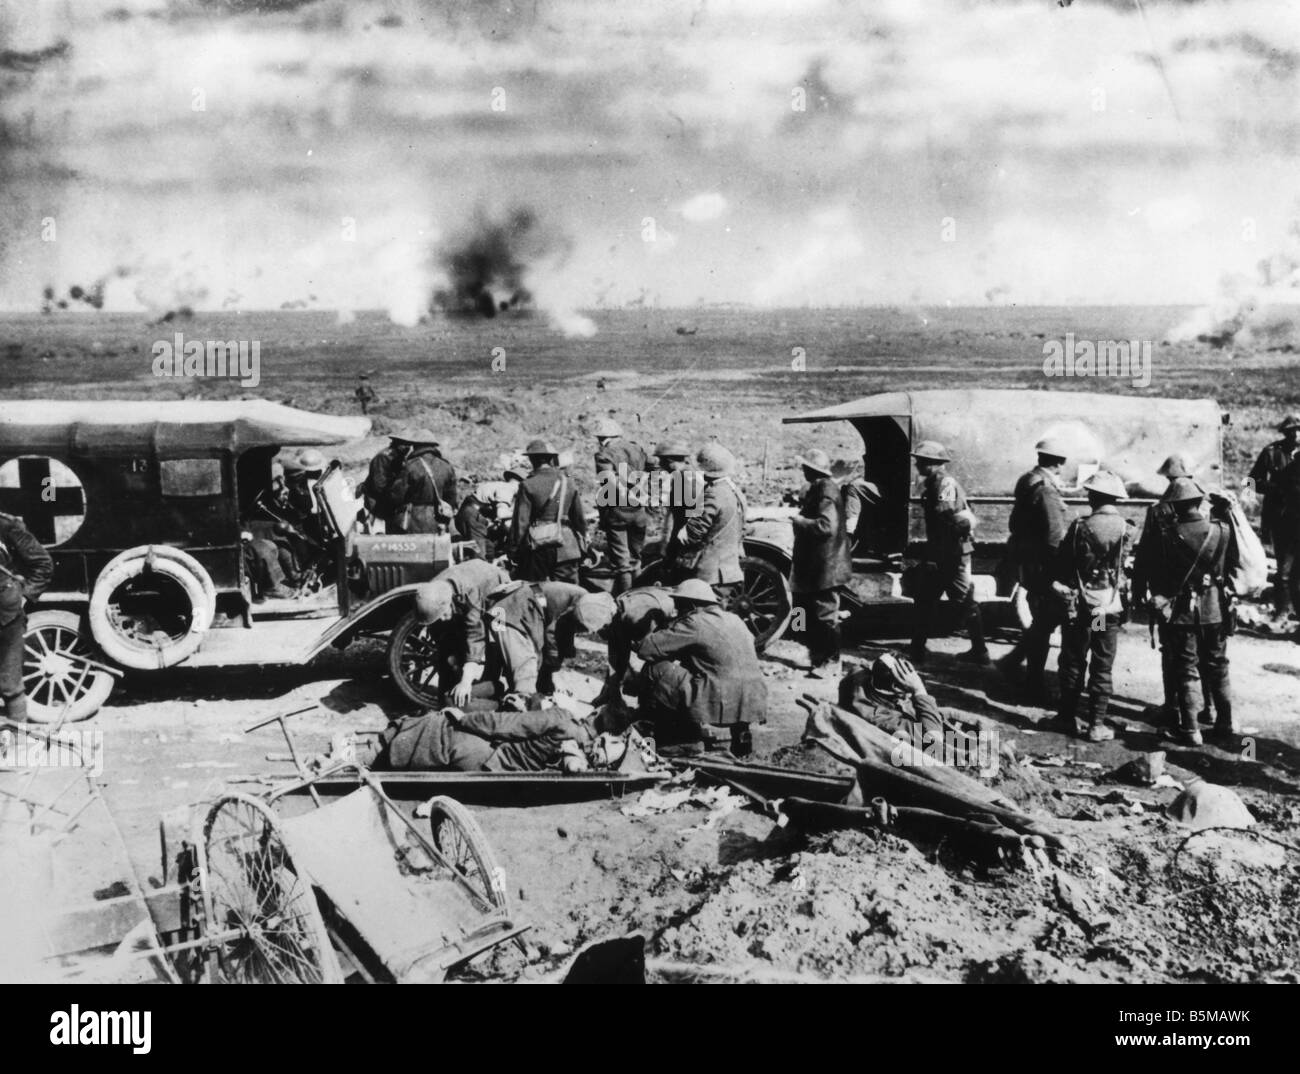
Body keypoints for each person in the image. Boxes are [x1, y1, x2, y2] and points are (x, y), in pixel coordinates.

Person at [1132, 477, 1239, 747]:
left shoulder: (1167, 534)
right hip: (1215, 609)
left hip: (1181, 613)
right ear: (1198, 502)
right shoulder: (1222, 530)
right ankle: (1225, 722)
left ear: (1175, 506)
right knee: (1218, 666)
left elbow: (1156, 573)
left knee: (1185, 668)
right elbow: (1228, 569)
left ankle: (1191, 730)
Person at [634, 579, 768, 749]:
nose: (678, 610)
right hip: (752, 700)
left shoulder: (694, 622)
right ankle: (741, 733)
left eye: (680, 605)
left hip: (721, 699)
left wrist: (654, 624)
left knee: (655, 668)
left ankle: (674, 736)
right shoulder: (735, 619)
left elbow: (646, 650)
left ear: (691, 605)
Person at [1051, 470, 1133, 742]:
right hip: (1108, 608)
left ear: (1094, 497)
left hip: (1082, 607)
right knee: (1102, 664)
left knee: (1074, 659)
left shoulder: (1079, 527)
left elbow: (1063, 565)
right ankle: (1096, 724)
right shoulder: (1127, 528)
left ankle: (1066, 718)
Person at [997, 438, 1069, 700]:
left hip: (1029, 562)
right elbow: (1053, 536)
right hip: (1043, 566)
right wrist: (1059, 571)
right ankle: (1034, 682)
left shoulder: (1027, 480)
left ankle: (1014, 662)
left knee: (1044, 620)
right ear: (1060, 462)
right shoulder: (1046, 490)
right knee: (1049, 622)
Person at [908, 440, 988, 665]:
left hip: (951, 556)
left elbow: (948, 520)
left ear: (932, 464)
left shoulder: (945, 484)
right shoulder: (935, 483)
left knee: (964, 601)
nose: (917, 464)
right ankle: (917, 651)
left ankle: (980, 652)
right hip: (945, 554)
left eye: (921, 461)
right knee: (924, 600)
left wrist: (935, 556)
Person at [480, 580, 615, 698]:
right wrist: (554, 666)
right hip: (513, 614)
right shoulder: (576, 605)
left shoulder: (583, 598)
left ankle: (491, 695)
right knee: (527, 665)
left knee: (500, 664)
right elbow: (553, 634)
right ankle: (524, 707)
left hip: (509, 610)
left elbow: (565, 632)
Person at [369, 704, 593, 773]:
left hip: (494, 758)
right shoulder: (578, 740)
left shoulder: (561, 719)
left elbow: (505, 726)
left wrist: (464, 719)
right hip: (501, 760)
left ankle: (369, 755)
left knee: (441, 727)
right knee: (435, 726)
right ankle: (377, 748)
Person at [409, 559, 513, 706]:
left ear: (449, 601)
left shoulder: (468, 594)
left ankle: (493, 690)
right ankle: (445, 701)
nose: (443, 619)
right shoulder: (432, 593)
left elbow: (475, 636)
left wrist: (465, 681)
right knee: (448, 652)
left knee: (496, 642)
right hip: (469, 582)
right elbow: (436, 628)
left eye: (444, 614)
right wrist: (452, 659)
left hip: (496, 589)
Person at [791, 448, 852, 678]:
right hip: (815, 564)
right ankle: (814, 654)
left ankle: (831, 660)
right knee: (804, 609)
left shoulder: (826, 490)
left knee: (825, 614)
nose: (802, 471)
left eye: (805, 467)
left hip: (826, 566)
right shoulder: (819, 488)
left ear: (811, 469)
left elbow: (827, 526)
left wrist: (800, 521)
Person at [668, 442, 746, 601]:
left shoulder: (713, 494)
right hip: (728, 570)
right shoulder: (734, 491)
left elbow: (692, 534)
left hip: (708, 574)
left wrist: (683, 533)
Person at [0, 511, 53, 723]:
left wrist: (25, 596)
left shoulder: (6, 525)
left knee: (10, 684)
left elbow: (43, 563)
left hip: (5, 614)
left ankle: (17, 744)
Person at [510, 439, 588, 583]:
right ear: (552, 459)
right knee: (568, 593)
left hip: (538, 547)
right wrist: (583, 539)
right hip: (567, 545)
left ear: (532, 460)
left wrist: (514, 550)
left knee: (537, 592)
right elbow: (579, 519)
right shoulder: (568, 482)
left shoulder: (528, 485)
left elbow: (521, 523)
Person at [594, 584, 677, 709]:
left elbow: (651, 650)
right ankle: (609, 694)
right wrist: (612, 688)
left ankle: (647, 706)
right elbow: (616, 654)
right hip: (653, 608)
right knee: (618, 652)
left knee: (656, 666)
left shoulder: (636, 617)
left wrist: (638, 683)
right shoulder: (617, 612)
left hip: (675, 616)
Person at [592, 418, 650, 594]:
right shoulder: (637, 448)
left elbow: (608, 480)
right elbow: (653, 467)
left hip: (617, 511)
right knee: (636, 558)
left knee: (622, 562)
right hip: (639, 510)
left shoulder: (604, 454)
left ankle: (625, 599)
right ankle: (640, 595)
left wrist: (625, 492)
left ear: (603, 438)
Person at [388, 428, 458, 535]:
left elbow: (396, 496)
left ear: (415, 445)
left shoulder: (410, 466)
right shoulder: (446, 466)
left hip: (413, 518)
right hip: (439, 519)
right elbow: (451, 497)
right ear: (433, 446)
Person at [1246, 413, 1300, 552]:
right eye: (1291, 430)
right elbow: (1251, 480)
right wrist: (1276, 489)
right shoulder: (1271, 452)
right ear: (1285, 432)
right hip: (1279, 512)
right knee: (1283, 560)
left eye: (1299, 429)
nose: (1296, 434)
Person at [360, 432, 413, 530]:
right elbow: (379, 485)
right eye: (405, 444)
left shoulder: (400, 457)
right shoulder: (383, 457)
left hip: (389, 501)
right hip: (378, 502)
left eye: (409, 445)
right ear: (397, 444)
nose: (408, 447)